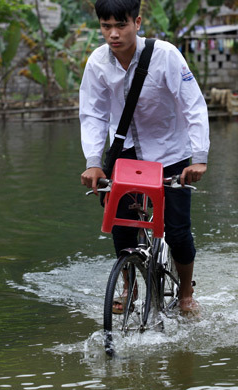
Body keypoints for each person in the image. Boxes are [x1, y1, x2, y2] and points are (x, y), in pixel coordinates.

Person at [79, 0, 210, 314]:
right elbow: (93, 115)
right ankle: (129, 286)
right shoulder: (97, 63)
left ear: (136, 22)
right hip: (125, 156)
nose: (113, 34)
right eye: (106, 26)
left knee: (177, 231)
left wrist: (199, 156)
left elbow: (193, 105)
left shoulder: (165, 55)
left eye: (120, 25)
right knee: (121, 227)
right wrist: (93, 163)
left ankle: (186, 294)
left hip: (171, 152)